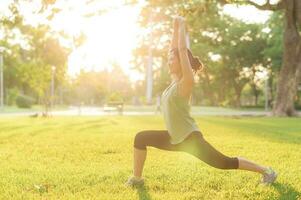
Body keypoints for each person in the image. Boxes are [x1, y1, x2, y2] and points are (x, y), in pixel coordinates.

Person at [125, 16, 277, 187]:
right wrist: (174, 29)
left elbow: (181, 49)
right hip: (173, 138)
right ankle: (137, 180)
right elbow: (174, 49)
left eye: (171, 59)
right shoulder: (174, 81)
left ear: (182, 63)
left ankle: (267, 171)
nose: (168, 61)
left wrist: (182, 25)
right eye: (168, 59)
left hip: (191, 139)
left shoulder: (186, 82)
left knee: (224, 162)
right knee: (140, 138)